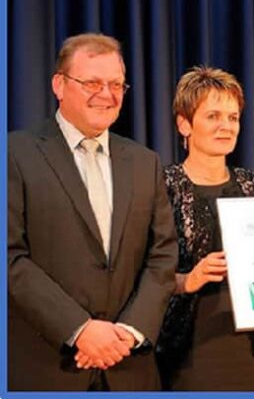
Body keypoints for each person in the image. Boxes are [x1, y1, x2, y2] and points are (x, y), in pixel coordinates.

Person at [7, 33, 178, 390]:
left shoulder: (145, 163)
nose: (107, 94)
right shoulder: (14, 154)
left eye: (116, 84)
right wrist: (79, 329)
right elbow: (10, 258)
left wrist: (129, 333)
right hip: (45, 369)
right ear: (59, 84)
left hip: (130, 367)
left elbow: (162, 256)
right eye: (92, 82)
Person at [155, 66, 254, 390]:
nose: (226, 126)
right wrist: (188, 280)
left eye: (233, 117)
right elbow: (138, 274)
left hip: (251, 348)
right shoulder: (159, 188)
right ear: (184, 123)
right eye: (213, 116)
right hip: (188, 349)